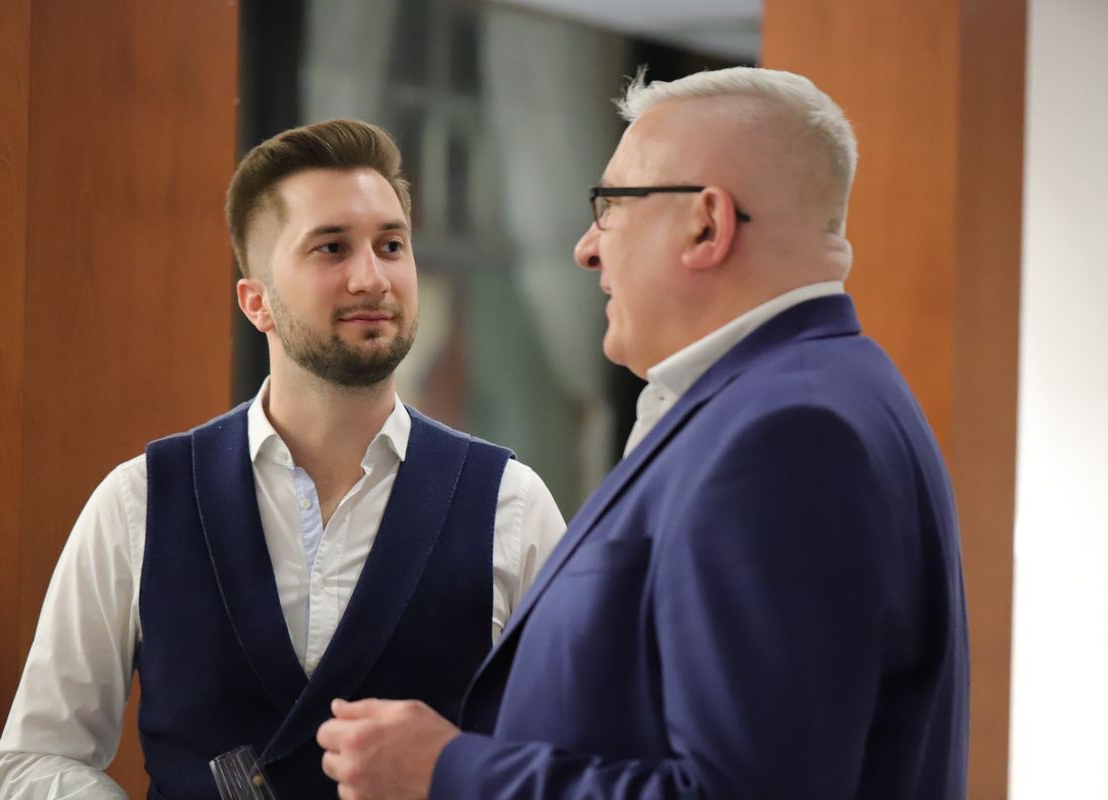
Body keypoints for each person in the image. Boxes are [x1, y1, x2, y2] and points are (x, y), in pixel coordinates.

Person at [315, 67, 970, 799]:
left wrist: (447, 771)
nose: (586, 248)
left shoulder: (788, 437)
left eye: (611, 207)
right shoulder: (815, 394)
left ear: (706, 225)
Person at [0, 119, 566, 799]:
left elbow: (569, 760)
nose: (372, 278)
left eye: (391, 245)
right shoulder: (140, 502)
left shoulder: (511, 506)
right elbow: (39, 756)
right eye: (331, 248)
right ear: (257, 302)